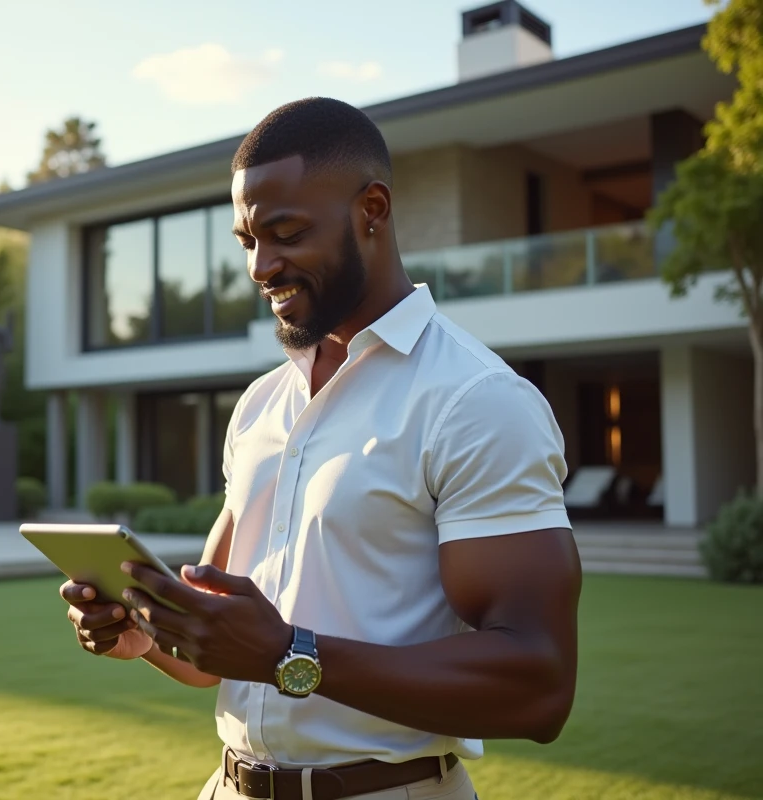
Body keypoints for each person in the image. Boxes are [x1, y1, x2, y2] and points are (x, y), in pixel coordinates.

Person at [61, 97, 581, 800]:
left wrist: (288, 654)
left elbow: (537, 684)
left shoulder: (476, 400)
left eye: (285, 233)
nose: (259, 266)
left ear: (372, 209)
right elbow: (220, 653)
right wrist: (149, 636)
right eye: (247, 240)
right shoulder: (258, 407)